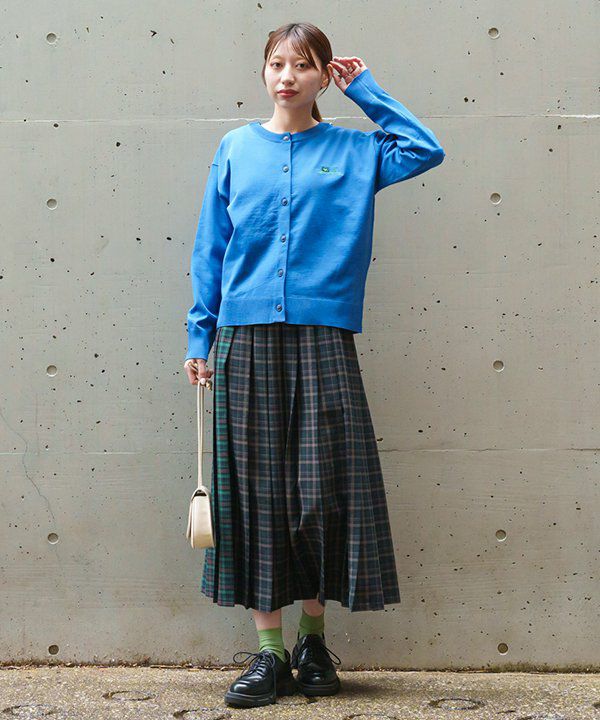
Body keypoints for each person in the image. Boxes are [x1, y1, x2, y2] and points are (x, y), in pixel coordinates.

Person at [183, 21, 445, 709]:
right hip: (244, 336)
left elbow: (425, 148)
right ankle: (269, 654)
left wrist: (367, 90)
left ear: (324, 74)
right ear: (263, 71)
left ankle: (313, 642)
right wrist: (199, 337)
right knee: (255, 495)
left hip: (323, 337)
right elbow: (212, 246)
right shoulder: (236, 148)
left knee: (320, 490)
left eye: (303, 65)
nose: (287, 77)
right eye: (277, 63)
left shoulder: (356, 151)